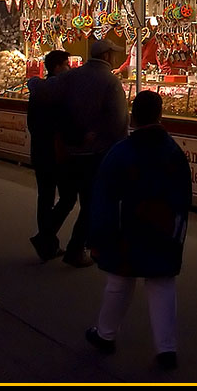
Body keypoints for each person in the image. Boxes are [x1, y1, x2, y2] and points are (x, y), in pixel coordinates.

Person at [84, 90, 191, 370]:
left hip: (125, 230)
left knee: (119, 282)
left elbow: (103, 199)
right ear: (160, 115)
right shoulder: (173, 152)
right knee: (162, 281)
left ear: (132, 116)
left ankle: (105, 334)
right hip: (162, 229)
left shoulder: (119, 153)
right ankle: (166, 348)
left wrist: (97, 237)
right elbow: (183, 197)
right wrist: (178, 231)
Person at [49, 37, 129, 267]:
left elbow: (47, 94)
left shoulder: (73, 75)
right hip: (97, 152)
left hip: (71, 149)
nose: (115, 57)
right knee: (91, 203)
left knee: (69, 198)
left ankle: (45, 237)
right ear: (106, 56)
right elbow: (118, 120)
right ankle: (76, 249)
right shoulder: (110, 81)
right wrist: (120, 150)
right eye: (113, 53)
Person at [26, 50, 77, 261]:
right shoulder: (59, 93)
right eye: (66, 64)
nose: (69, 68)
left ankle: (47, 243)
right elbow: (67, 122)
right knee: (68, 197)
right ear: (57, 67)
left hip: (40, 151)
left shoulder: (38, 92)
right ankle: (46, 238)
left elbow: (32, 123)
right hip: (57, 152)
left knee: (45, 197)